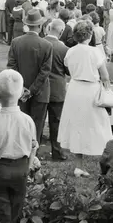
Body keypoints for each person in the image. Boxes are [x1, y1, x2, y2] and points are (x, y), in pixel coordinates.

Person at [57, 20, 113, 178]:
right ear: (90, 35)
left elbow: (69, 69)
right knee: (99, 124)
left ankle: (79, 165)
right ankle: (105, 162)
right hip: (90, 89)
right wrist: (107, 89)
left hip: (75, 88)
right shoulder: (95, 52)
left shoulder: (70, 51)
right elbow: (105, 76)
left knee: (77, 125)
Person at [0, 70, 38, 223]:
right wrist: (27, 167)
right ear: (21, 94)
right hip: (21, 169)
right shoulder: (28, 121)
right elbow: (33, 147)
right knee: (15, 213)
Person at [6, 8, 53, 145]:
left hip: (20, 91)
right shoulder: (46, 45)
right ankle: (33, 152)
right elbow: (45, 72)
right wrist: (31, 91)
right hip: (39, 92)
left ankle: (21, 150)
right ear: (40, 26)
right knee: (36, 126)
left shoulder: (16, 42)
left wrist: (22, 89)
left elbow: (11, 67)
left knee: (21, 125)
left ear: (27, 25)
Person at [42, 19, 69, 161]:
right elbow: (68, 70)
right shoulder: (63, 49)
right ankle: (57, 152)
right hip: (57, 89)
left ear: (49, 28)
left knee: (38, 121)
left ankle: (35, 151)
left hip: (40, 87)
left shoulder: (40, 43)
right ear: (61, 31)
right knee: (56, 122)